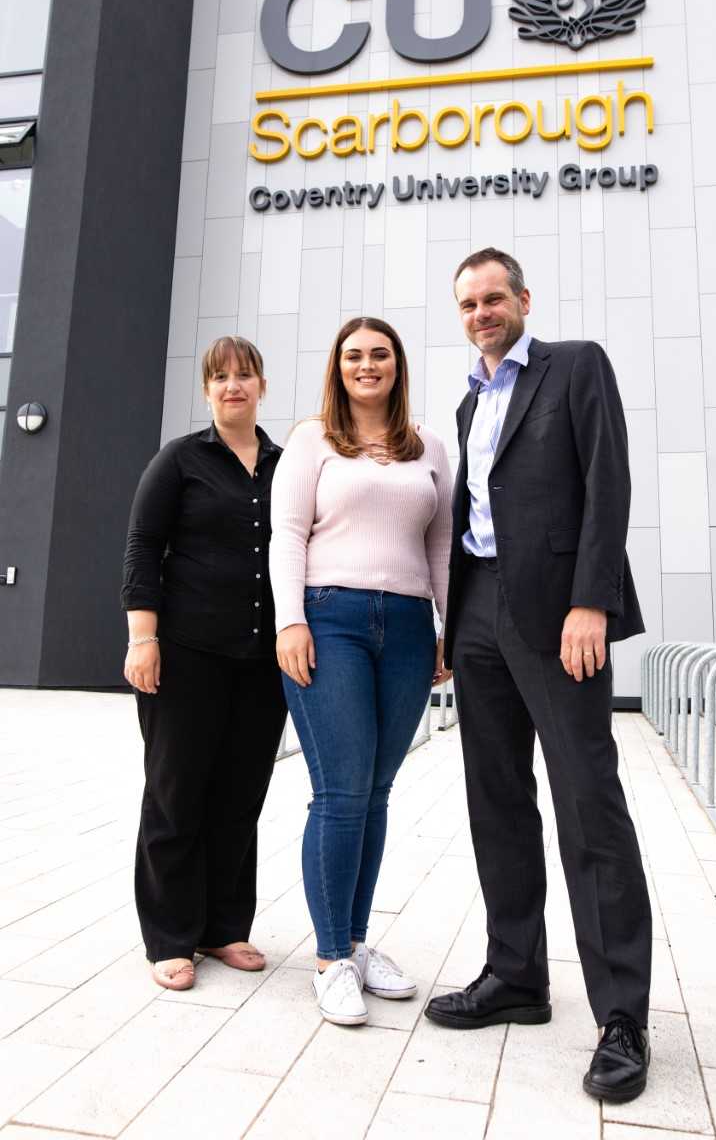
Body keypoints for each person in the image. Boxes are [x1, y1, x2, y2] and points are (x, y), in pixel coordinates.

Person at [424, 248, 653, 1105]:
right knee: (497, 803)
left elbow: (607, 482)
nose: (481, 312)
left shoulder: (575, 365)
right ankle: (515, 973)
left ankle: (621, 1017)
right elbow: (472, 518)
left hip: (560, 618)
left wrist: (590, 601)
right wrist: (451, 624)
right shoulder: (468, 398)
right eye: (467, 304)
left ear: (523, 299)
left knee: (588, 805)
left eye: (493, 298)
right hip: (478, 610)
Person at [270, 316, 452, 1027]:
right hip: (330, 619)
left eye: (379, 354)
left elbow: (440, 540)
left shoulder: (428, 446)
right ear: (337, 367)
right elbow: (287, 534)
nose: (366, 365)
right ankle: (328, 960)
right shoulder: (312, 438)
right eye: (353, 355)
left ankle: (354, 940)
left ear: (397, 365)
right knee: (341, 793)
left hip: (407, 627)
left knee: (376, 792)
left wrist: (447, 624)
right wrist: (291, 621)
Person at [121, 336, 286, 991]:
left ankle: (223, 929)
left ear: (261, 385)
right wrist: (143, 638)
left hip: (261, 661)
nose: (232, 386)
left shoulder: (285, 464)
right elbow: (142, 547)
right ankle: (169, 936)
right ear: (207, 389)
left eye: (243, 374)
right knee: (174, 795)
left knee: (238, 797)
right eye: (219, 377)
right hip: (185, 655)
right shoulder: (179, 461)